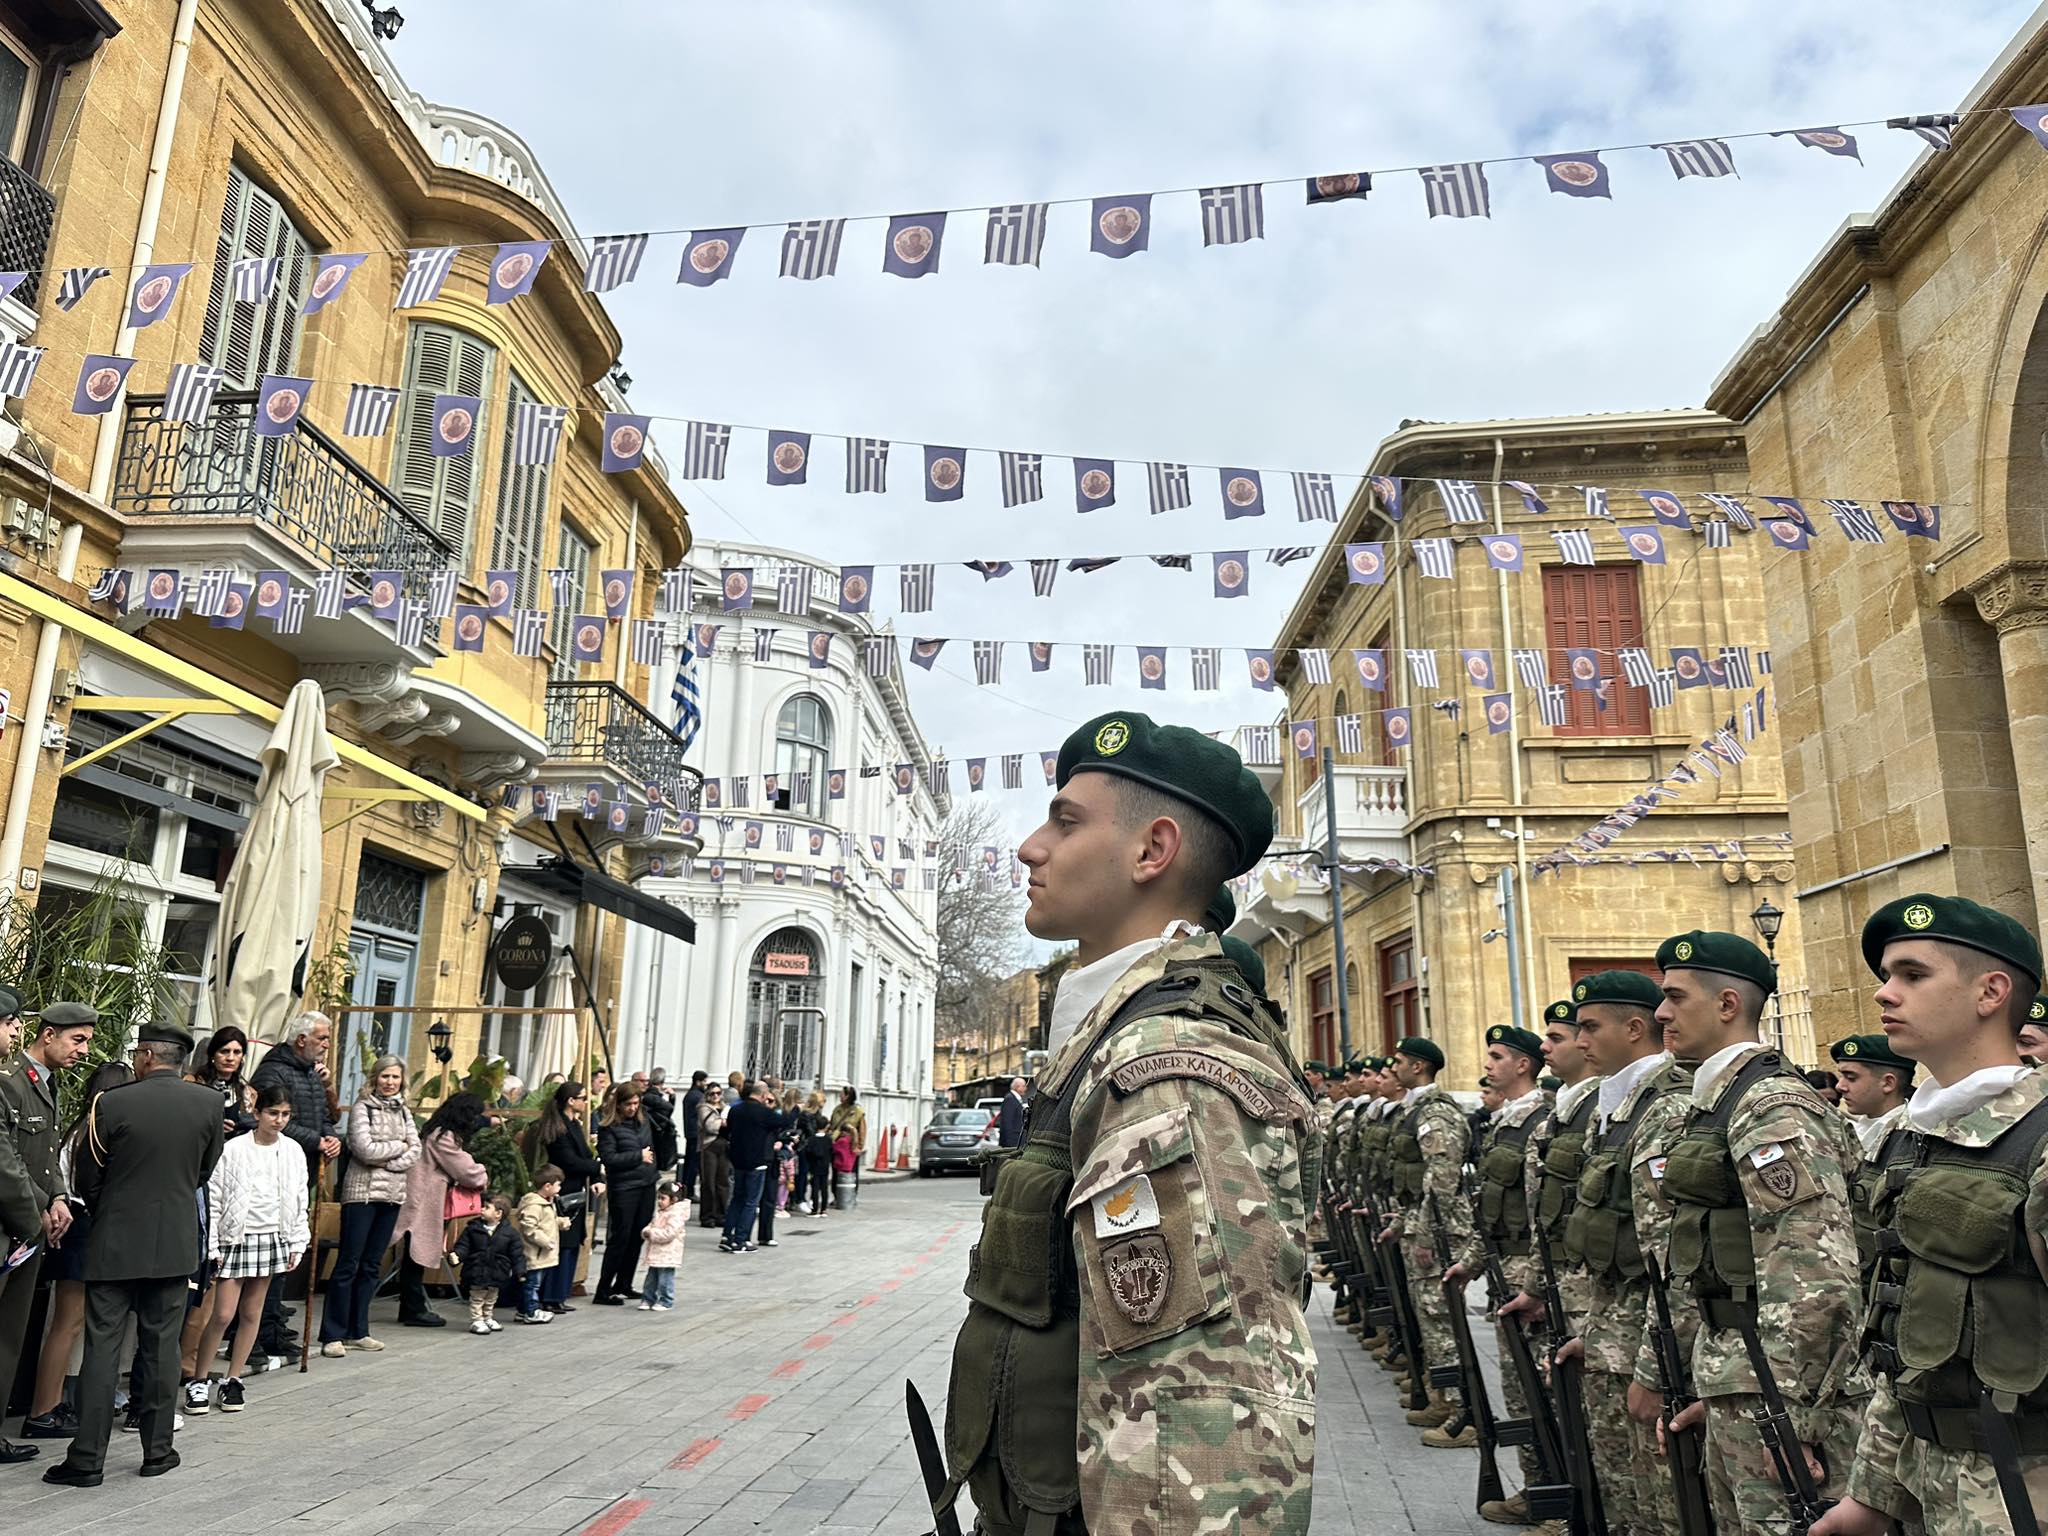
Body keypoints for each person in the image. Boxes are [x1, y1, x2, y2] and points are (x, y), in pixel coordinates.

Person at [935, 711, 1317, 1533]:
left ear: (1152, 852)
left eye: (1065, 821)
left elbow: (1200, 1412)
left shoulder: (1165, 1058)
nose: (1032, 847)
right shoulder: (1113, 1032)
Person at [1812, 894, 2048, 1536]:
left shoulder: (2039, 1139)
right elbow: (1903, 1339)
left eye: (1913, 976)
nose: (1887, 994)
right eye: (1886, 977)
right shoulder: (1908, 1140)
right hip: (1927, 1482)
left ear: (1991, 992)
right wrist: (1870, 1492)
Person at [1652, 929, 1868, 1535]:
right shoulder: (1717, 1100)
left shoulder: (1772, 1105)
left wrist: (1794, 1418)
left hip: (1777, 1389)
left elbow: (1814, 1271)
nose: (1662, 1014)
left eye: (1675, 996)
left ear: (1727, 1006)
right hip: (1742, 1376)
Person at [43, 1015, 222, 1487]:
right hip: (174, 1243)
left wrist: (118, 1210)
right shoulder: (210, 1103)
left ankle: (86, 1460)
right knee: (162, 1349)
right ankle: (158, 1451)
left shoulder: (112, 1103)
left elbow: (88, 1179)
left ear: (145, 1055)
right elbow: (203, 1172)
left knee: (103, 1348)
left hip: (115, 1243)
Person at [1552, 969, 1693, 1536]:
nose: (1579, 1040)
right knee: (1625, 1496)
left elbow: (1673, 1258)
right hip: (1616, 1333)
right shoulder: (1617, 1108)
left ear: (1635, 1028)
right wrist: (1595, 1326)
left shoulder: (1667, 1108)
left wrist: (1657, 1367)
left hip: (1648, 1343)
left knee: (1663, 1504)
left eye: (1589, 1027)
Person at [1444, 1024, 1550, 1517]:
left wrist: (1536, 1284)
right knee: (1519, 1387)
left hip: (1527, 1271)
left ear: (1523, 1065)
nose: (1488, 1065)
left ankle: (1549, 1497)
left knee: (1536, 1390)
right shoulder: (1505, 1122)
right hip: (1505, 1266)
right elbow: (1492, 1209)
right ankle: (1536, 1490)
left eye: (1497, 1056)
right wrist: (1472, 1261)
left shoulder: (1538, 1122)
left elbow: (1540, 1214)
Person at [0, 990, 89, 1461]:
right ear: (47, 1035)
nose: (84, 1051)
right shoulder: (10, 1081)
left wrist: (57, 1196)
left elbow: (45, 1155)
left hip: (29, 1225)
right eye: (77, 1039)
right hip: (11, 1222)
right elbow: (7, 1160)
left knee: (11, 1334)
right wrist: (39, 1206)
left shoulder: (45, 1082)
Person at [23, 1060, 132, 1442]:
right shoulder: (96, 1133)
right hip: (81, 1223)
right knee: (66, 1325)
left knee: (68, 1325)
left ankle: (49, 1407)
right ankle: (43, 1411)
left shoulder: (79, 1128)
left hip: (74, 1223)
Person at [187, 1084, 310, 1415]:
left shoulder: (294, 1151)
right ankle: (198, 1380)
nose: (279, 1120)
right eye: (273, 1113)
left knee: (252, 1312)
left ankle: (233, 1379)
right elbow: (214, 1195)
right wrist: (212, 1243)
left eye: (285, 1114)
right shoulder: (234, 1149)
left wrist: (298, 1239)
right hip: (235, 1237)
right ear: (257, 1113)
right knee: (223, 1314)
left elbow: (300, 1198)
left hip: (272, 1236)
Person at [1381, 1035, 1476, 1445]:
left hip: (1437, 1232)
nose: (1394, 1066)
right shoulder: (1416, 1109)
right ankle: (1440, 1393)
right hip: (1422, 1226)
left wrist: (1421, 1231)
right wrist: (1402, 1221)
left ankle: (1461, 1411)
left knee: (1440, 1321)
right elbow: (1414, 1179)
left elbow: (1440, 1179)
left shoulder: (1435, 1113)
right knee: (1428, 1317)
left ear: (1418, 1066)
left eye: (1400, 1060)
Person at [246, 1012, 340, 1359]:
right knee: (268, 1255)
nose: (327, 1045)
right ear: (302, 1040)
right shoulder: (274, 1070)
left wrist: (329, 1138)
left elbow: (323, 1116)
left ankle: (272, 1328)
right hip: (273, 1170)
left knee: (288, 1249)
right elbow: (271, 1119)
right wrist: (316, 1139)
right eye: (322, 1039)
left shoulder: (312, 1074)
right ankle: (255, 1333)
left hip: (300, 1170)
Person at [316, 1054, 420, 1360]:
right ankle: (333, 1333)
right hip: (361, 1195)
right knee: (349, 1263)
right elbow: (363, 1148)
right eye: (385, 1077)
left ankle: (358, 1330)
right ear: (375, 1079)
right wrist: (397, 1150)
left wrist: (388, 1159)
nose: (390, 1082)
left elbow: (416, 1148)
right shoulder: (364, 1108)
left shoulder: (404, 1111)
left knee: (372, 1265)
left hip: (391, 1196)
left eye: (395, 1077)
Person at [392, 1092, 490, 1329]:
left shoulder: (436, 1130)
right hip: (423, 1201)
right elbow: (465, 1171)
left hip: (423, 1197)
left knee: (413, 1256)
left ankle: (411, 1307)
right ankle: (413, 1308)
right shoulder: (444, 1137)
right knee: (415, 1255)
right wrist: (483, 1172)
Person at [534, 1081, 603, 1313]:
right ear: (571, 1101)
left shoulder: (573, 1124)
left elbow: (580, 1156)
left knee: (572, 1243)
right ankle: (551, 1295)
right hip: (564, 1190)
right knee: (563, 1244)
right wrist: (596, 1167)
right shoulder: (559, 1128)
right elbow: (568, 1161)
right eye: (583, 1098)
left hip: (576, 1189)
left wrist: (595, 1176)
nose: (586, 1101)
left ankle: (560, 1294)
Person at [594, 1081, 657, 1302]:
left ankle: (624, 1283)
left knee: (636, 1237)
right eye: (628, 1104)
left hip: (646, 1183)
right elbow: (609, 1159)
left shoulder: (642, 1120)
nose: (633, 1108)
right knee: (619, 1238)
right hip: (624, 1187)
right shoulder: (608, 1127)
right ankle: (603, 1288)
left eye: (636, 1103)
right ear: (618, 1104)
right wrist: (638, 1157)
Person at [723, 1078, 783, 1253]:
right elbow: (779, 1123)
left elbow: (727, 1131)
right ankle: (741, 1239)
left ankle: (728, 1235)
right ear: (764, 1095)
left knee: (737, 1198)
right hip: (757, 1161)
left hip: (738, 1160)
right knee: (751, 1201)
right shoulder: (762, 1112)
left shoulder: (736, 1109)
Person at [450, 1193, 522, 1335]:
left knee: (491, 1297)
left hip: (497, 1271)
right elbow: (464, 1245)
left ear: (498, 1214)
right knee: (477, 1297)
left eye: (487, 1207)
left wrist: (520, 1271)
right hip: (476, 1269)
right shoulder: (473, 1228)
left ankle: (487, 1317)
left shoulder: (510, 1233)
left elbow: (516, 1253)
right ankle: (476, 1320)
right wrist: (458, 1255)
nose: (482, 1209)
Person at [514, 1165, 566, 1324]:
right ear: (547, 1186)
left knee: (532, 1283)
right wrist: (545, 1241)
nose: (560, 1188)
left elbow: (546, 1222)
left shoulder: (546, 1203)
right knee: (533, 1284)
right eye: (558, 1184)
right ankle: (531, 1311)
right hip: (535, 1254)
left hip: (541, 1254)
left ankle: (523, 1311)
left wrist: (560, 1222)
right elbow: (529, 1227)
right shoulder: (535, 1205)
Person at [188, 1026, 256, 1140]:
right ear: (213, 1055)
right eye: (224, 1051)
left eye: (237, 1052)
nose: (230, 1058)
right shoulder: (192, 1084)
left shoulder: (247, 1093)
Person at [639, 1180, 687, 1310]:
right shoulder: (660, 1212)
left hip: (668, 1254)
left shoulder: (676, 1215)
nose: (659, 1201)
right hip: (656, 1252)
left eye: (663, 1198)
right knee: (651, 1278)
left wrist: (651, 1233)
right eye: (658, 1198)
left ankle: (666, 1300)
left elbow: (669, 1233)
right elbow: (652, 1225)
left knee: (665, 1279)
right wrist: (646, 1231)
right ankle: (648, 1298)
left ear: (674, 1199)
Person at [795, 1090, 833, 1217]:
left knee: (814, 1177)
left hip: (814, 1148)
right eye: (822, 1101)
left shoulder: (817, 1114)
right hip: (806, 1147)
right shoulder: (806, 1115)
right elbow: (810, 1131)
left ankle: (813, 1200)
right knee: (803, 1173)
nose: (823, 1104)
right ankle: (800, 1199)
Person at [697, 1089, 730, 1227]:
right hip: (709, 1146)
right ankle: (707, 1216)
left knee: (723, 1181)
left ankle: (721, 1215)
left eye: (718, 1093)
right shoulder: (703, 1108)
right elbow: (709, 1126)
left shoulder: (726, 1107)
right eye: (712, 1093)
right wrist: (722, 1123)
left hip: (724, 1145)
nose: (716, 1096)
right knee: (708, 1181)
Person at [827, 1085, 865, 1201]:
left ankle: (851, 1195)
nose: (840, 1096)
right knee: (836, 1169)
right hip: (837, 1145)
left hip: (850, 1146)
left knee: (851, 1170)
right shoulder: (837, 1109)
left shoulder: (858, 1111)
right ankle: (836, 1195)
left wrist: (859, 1146)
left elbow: (862, 1130)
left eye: (842, 1094)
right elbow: (832, 1125)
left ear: (848, 1096)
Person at [644, 1067, 678, 1176]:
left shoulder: (647, 1096)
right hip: (658, 1135)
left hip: (652, 1132)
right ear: (662, 1082)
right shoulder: (654, 1098)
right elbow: (669, 1109)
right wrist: (672, 1097)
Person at [680, 1071, 708, 1196]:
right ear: (698, 1081)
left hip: (691, 1133)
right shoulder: (698, 1096)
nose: (705, 1084)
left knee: (689, 1162)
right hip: (696, 1133)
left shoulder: (690, 1095)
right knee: (693, 1164)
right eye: (704, 1081)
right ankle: (689, 1190)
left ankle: (686, 1189)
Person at [996, 1076, 1028, 1149]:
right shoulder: (1010, 1099)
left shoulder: (1015, 1098)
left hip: (1016, 1141)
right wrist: (1010, 1144)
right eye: (1023, 1086)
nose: (1025, 1089)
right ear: (1017, 1087)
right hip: (1012, 1142)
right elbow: (1007, 1122)